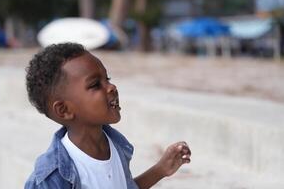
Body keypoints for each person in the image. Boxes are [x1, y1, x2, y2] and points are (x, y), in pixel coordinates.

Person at [24, 43, 191, 189]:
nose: (111, 87)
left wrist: (160, 170)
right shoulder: (53, 176)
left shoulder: (116, 145)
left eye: (107, 78)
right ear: (64, 110)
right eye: (96, 84)